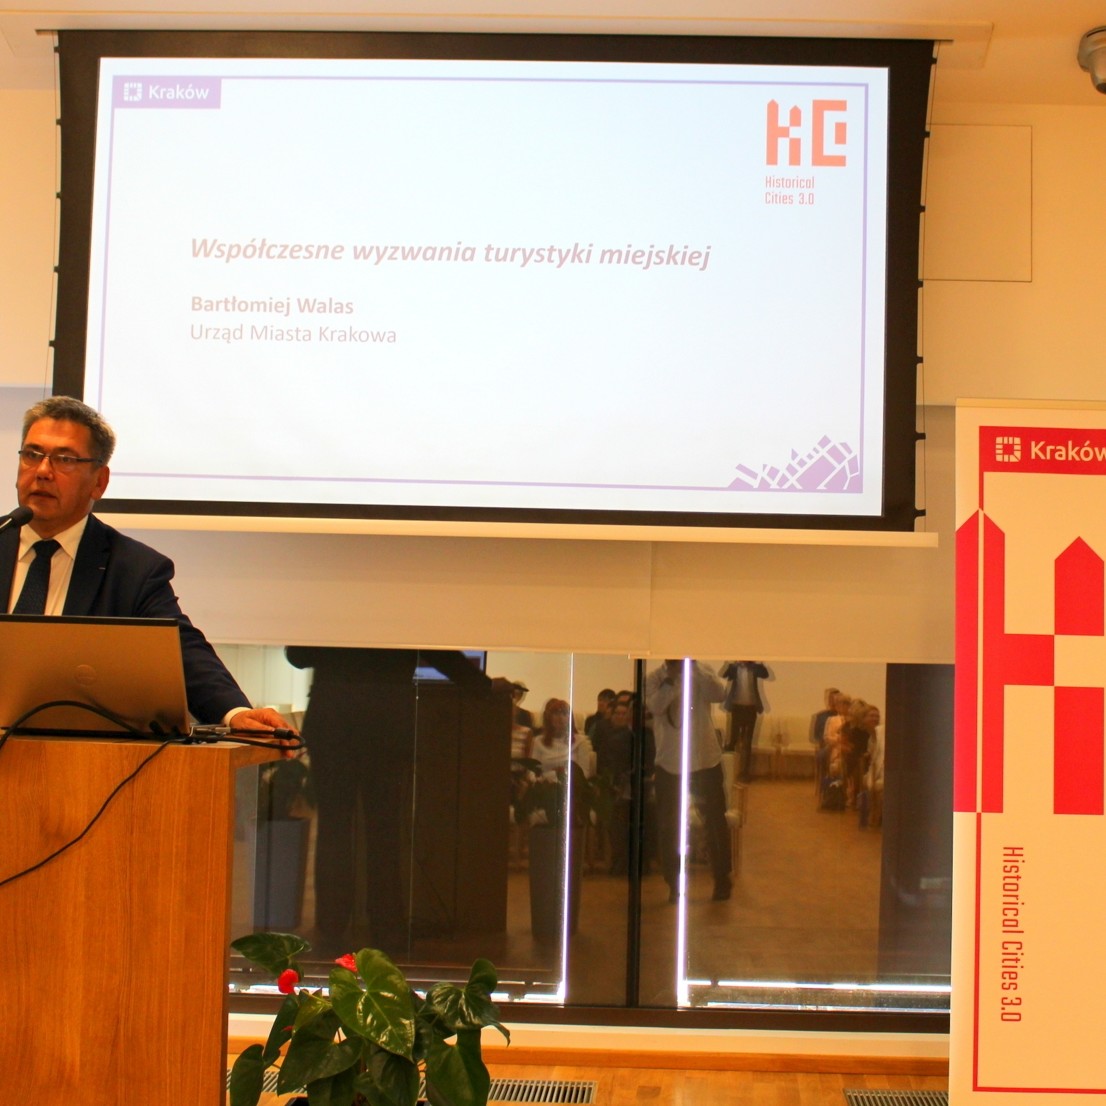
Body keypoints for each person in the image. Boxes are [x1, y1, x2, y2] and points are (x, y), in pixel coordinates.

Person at [3, 395, 291, 732]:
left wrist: (234, 712)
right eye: (32, 454)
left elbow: (180, 651)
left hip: (73, 750)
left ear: (99, 482)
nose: (42, 472)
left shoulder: (132, 569)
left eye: (64, 459)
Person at [644, 658, 732, 902]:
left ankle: (722, 879)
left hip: (705, 760)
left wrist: (693, 669)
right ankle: (674, 883)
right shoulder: (654, 678)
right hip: (669, 763)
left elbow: (719, 694)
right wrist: (673, 680)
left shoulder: (701, 670)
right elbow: (656, 706)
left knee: (715, 822)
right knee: (669, 826)